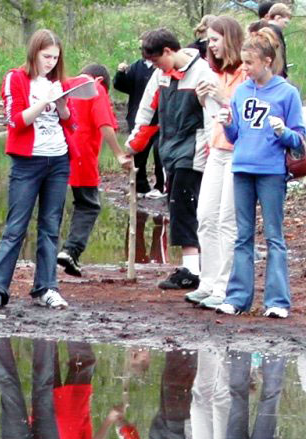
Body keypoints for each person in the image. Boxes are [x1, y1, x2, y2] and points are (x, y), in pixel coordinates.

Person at [0, 29, 76, 310]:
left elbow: (70, 122)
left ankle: (46, 287)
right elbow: (15, 120)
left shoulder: (58, 81)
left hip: (58, 158)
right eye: (46, 57)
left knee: (50, 226)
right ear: (34, 53)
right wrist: (43, 101)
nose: (51, 63)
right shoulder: (16, 78)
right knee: (16, 226)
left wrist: (61, 104)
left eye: (55, 58)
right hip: (27, 160)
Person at [215, 30, 305, 319]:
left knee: (274, 236)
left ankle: (277, 301)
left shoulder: (287, 93)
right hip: (242, 168)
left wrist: (284, 132)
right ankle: (238, 298)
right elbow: (235, 136)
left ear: (268, 61)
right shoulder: (241, 91)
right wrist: (228, 124)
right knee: (243, 235)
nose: (245, 69)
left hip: (271, 172)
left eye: (250, 63)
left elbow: (299, 140)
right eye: (243, 63)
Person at [125, 28, 217, 291]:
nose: (156, 66)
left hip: (194, 150)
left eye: (157, 60)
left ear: (168, 51)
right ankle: (193, 266)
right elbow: (146, 113)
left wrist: (211, 153)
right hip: (169, 150)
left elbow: (211, 116)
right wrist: (132, 146)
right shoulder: (160, 76)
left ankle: (192, 270)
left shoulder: (202, 74)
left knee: (184, 205)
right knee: (175, 204)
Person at [185, 16, 246, 310]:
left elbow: (246, 115)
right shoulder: (215, 73)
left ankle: (225, 287)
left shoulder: (246, 74)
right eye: (209, 40)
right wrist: (204, 99)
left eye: (214, 40)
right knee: (206, 216)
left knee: (227, 221)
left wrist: (223, 99)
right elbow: (214, 117)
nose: (210, 46)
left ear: (230, 39)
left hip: (239, 153)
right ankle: (207, 282)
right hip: (217, 151)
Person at [57, 64, 131, 277]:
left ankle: (50, 255)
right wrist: (118, 153)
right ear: (100, 79)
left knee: (53, 206)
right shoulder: (95, 88)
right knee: (88, 204)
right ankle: (71, 250)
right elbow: (104, 124)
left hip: (55, 154)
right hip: (81, 156)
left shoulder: (64, 83)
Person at [114, 53, 166, 200]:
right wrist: (121, 74)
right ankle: (141, 186)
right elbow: (121, 86)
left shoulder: (163, 68)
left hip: (161, 119)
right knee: (139, 153)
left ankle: (160, 187)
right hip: (139, 117)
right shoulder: (136, 67)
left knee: (160, 152)